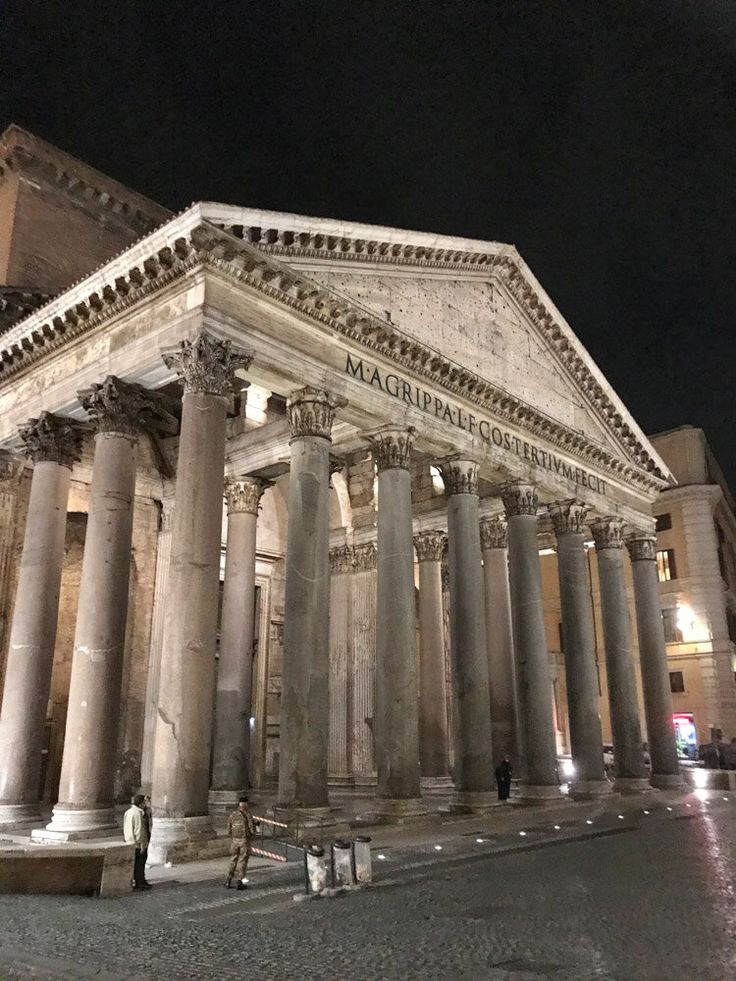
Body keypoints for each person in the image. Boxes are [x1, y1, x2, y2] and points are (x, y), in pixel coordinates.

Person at [225, 795, 257, 890]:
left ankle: (228, 880)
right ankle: (240, 882)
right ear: (246, 804)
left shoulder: (232, 814)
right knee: (242, 861)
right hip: (244, 841)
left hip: (234, 841)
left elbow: (228, 829)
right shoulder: (247, 814)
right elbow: (252, 830)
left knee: (233, 859)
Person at [123, 793, 151, 890]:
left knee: (136, 864)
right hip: (138, 843)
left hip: (130, 841)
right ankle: (140, 882)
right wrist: (142, 844)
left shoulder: (129, 812)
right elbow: (139, 830)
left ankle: (139, 881)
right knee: (140, 863)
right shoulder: (138, 813)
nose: (145, 804)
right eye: (144, 802)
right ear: (141, 803)